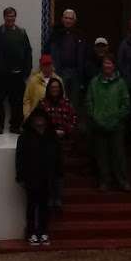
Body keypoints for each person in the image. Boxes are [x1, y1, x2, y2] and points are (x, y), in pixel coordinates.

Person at [15, 105, 62, 246]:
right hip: (31, 176)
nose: (39, 121)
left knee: (44, 206)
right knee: (31, 205)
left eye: (42, 118)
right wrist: (20, 175)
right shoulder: (25, 137)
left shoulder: (51, 136)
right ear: (32, 120)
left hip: (47, 176)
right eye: (37, 118)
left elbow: (58, 156)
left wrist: (58, 173)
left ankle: (43, 231)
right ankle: (31, 232)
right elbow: (20, 157)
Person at [85, 53, 131, 192]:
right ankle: (104, 181)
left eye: (109, 63)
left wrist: (116, 118)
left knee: (118, 155)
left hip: (116, 125)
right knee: (101, 156)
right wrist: (96, 118)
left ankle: (122, 180)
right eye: (105, 63)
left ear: (114, 66)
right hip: (99, 125)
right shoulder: (94, 82)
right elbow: (88, 102)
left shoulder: (121, 83)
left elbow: (126, 104)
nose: (107, 65)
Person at [0, 6, 32, 135]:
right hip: (1, 75)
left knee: (17, 101)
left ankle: (16, 126)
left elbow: (28, 51)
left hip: (18, 75)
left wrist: (27, 70)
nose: (10, 18)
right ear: (4, 17)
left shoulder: (22, 33)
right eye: (8, 15)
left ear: (15, 17)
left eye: (12, 16)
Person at [41, 74, 77, 210]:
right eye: (52, 87)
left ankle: (58, 197)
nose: (55, 89)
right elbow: (39, 122)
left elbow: (73, 120)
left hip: (62, 142)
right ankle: (50, 197)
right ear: (49, 89)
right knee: (48, 171)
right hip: (47, 142)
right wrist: (51, 132)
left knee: (59, 172)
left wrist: (65, 131)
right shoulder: (43, 103)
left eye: (57, 87)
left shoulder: (66, 103)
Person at [43, 8, 88, 110]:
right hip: (59, 73)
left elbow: (85, 56)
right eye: (66, 18)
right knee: (58, 101)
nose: (68, 20)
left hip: (76, 74)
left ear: (74, 21)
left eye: (70, 18)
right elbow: (46, 52)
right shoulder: (55, 34)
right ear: (62, 19)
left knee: (74, 103)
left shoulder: (80, 35)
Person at [22, 52, 57, 119]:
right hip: (36, 118)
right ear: (41, 66)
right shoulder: (33, 81)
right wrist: (27, 115)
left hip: (54, 118)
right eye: (44, 65)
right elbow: (27, 100)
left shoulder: (58, 80)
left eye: (49, 65)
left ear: (52, 66)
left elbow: (62, 99)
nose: (47, 67)